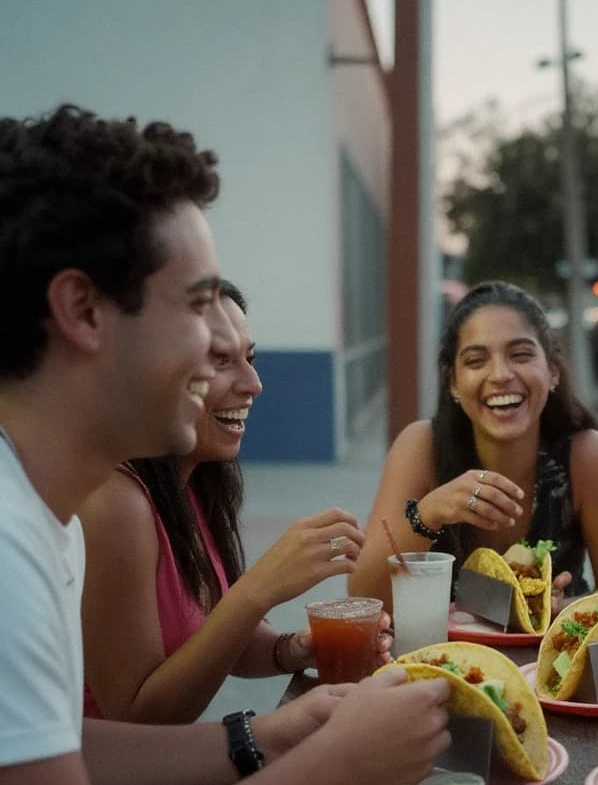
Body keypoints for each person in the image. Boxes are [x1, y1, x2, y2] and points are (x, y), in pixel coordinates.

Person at [0, 104, 449, 785]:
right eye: (201, 305)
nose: (220, 353)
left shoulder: (37, 515)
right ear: (83, 310)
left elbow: (57, 753)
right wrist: (333, 766)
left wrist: (269, 733)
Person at [79, 281, 387, 724]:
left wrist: (296, 648)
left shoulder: (195, 478)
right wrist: (258, 590)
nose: (254, 384)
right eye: (220, 361)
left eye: (250, 357)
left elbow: (212, 637)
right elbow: (138, 719)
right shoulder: (116, 503)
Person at [348, 280, 598, 612]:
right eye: (476, 361)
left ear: (552, 372)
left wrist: (559, 610)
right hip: (442, 659)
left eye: (520, 355)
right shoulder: (422, 446)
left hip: (548, 660)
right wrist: (429, 513)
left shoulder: (585, 455)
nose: (501, 374)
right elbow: (364, 600)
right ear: (454, 384)